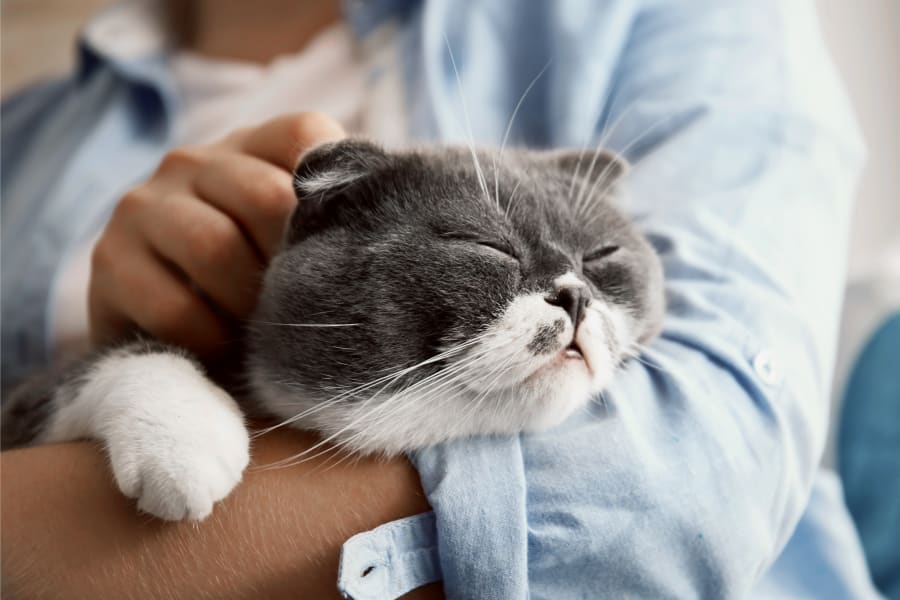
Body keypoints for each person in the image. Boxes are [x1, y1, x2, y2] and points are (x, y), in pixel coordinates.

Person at [0, 0, 883, 597]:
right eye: (482, 252)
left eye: (598, 260)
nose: (573, 293)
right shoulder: (23, 136)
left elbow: (696, 467)